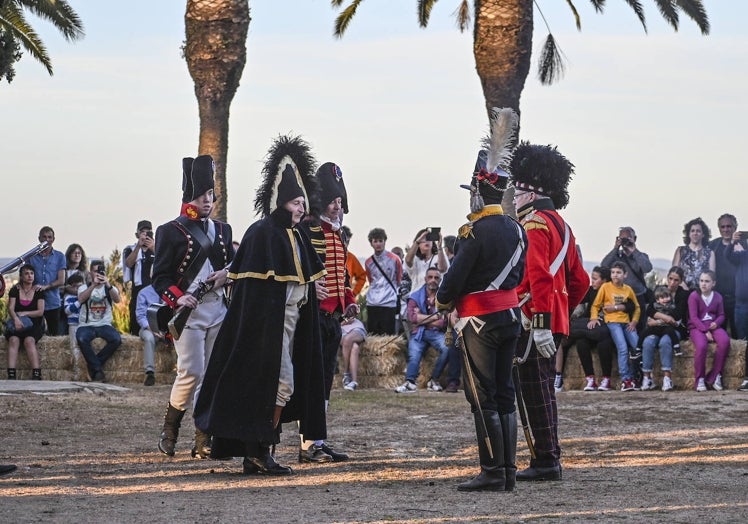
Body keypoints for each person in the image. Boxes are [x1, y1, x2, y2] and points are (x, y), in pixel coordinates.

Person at [194, 135, 326, 475]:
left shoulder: (296, 235)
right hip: (268, 326)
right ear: (282, 201)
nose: (302, 209)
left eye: (303, 203)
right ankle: (259, 452)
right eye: (297, 203)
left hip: (290, 322)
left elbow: (298, 276)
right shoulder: (262, 232)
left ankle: (260, 450)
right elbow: (252, 275)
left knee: (283, 385)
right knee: (280, 384)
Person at [436, 112, 527, 492]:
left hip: (480, 323)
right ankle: (507, 471)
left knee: (483, 397)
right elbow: (519, 277)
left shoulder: (473, 232)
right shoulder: (516, 228)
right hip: (510, 317)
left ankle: (492, 471)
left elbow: (453, 280)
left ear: (477, 191)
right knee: (505, 394)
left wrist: (443, 301)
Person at [510, 140, 589, 482]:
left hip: (534, 320)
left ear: (530, 193)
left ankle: (546, 461)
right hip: (552, 318)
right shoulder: (563, 227)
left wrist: (541, 321)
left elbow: (540, 276)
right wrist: (561, 311)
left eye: (517, 193)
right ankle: (548, 457)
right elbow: (581, 282)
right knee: (542, 389)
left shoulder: (535, 225)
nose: (512, 198)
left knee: (536, 391)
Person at [152, 154, 234, 458]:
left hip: (217, 310)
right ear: (189, 198)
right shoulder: (170, 231)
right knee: (191, 371)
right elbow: (159, 277)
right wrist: (178, 296)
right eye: (201, 196)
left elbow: (231, 268)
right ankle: (170, 428)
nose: (207, 201)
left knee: (212, 373)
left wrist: (227, 276)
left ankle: (203, 439)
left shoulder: (223, 231)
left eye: (210, 195)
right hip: (188, 314)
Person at [297, 160, 359, 463]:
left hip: (333, 318)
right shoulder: (307, 229)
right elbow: (298, 272)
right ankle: (308, 444)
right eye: (333, 200)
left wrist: (348, 300)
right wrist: (310, 289)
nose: (337, 206)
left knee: (324, 382)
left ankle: (318, 439)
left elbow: (341, 275)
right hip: (312, 318)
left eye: (340, 200)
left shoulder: (338, 233)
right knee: (311, 381)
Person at [557, 266, 616, 392]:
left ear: (604, 281)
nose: (592, 282)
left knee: (603, 342)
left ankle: (606, 378)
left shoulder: (612, 292)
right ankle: (590, 379)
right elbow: (575, 300)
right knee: (581, 342)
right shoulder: (591, 291)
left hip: (606, 327)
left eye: (595, 279)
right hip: (589, 327)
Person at [395, 267, 450, 393]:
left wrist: (422, 318)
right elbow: (412, 318)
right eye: (430, 277)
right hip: (419, 333)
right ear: (425, 279)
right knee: (414, 354)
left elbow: (443, 322)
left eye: (436, 278)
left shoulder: (444, 298)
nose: (433, 280)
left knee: (447, 347)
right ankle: (410, 382)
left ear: (440, 280)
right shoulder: (415, 296)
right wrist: (435, 316)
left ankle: (433, 380)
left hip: (436, 333)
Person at [588, 261, 640, 391]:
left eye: (618, 273)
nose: (615, 275)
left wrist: (634, 321)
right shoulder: (606, 287)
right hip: (613, 322)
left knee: (637, 346)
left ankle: (634, 377)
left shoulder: (628, 289)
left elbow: (637, 307)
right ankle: (625, 379)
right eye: (613, 272)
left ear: (625, 275)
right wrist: (594, 318)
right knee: (622, 348)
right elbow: (596, 305)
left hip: (626, 322)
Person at [76, 259, 122, 382]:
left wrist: (108, 284)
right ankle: (97, 370)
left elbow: (117, 300)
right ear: (90, 272)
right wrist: (93, 285)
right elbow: (81, 299)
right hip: (86, 324)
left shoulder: (109, 287)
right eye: (95, 271)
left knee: (116, 339)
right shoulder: (83, 288)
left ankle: (94, 366)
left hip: (104, 324)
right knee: (81, 338)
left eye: (101, 271)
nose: (98, 274)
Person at [601, 226, 652, 331]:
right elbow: (604, 266)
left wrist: (634, 250)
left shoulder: (641, 256)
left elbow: (647, 268)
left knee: (639, 328)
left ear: (635, 238)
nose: (625, 241)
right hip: (619, 299)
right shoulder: (616, 257)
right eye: (622, 238)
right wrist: (615, 248)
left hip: (637, 297)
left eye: (627, 238)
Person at [639, 283, 687, 391]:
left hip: (672, 331)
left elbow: (675, 321)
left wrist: (657, 321)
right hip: (656, 330)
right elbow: (649, 321)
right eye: (670, 279)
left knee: (665, 342)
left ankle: (667, 377)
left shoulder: (677, 302)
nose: (665, 299)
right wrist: (664, 320)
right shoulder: (655, 302)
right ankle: (647, 377)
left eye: (667, 297)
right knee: (647, 342)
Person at [688, 270, 730, 392]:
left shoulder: (717, 297)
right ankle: (700, 378)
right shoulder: (694, 296)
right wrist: (705, 330)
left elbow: (722, 315)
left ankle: (715, 375)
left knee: (725, 341)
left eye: (707, 281)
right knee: (701, 346)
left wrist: (716, 323)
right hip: (697, 327)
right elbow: (694, 317)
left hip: (713, 325)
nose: (703, 284)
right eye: (701, 281)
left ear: (713, 283)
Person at [5, 264, 45, 380]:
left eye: (31, 273)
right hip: (17, 322)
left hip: (34, 323)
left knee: (29, 341)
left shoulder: (38, 291)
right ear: (21, 277)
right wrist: (16, 319)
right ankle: (11, 375)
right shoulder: (14, 290)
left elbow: (40, 312)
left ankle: (36, 374)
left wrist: (25, 313)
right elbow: (11, 309)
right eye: (26, 274)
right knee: (13, 340)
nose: (29, 276)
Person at [364, 227, 402, 335]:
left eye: (380, 240)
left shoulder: (395, 259)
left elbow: (398, 278)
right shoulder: (368, 262)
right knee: (372, 335)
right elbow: (370, 280)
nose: (378, 244)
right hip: (372, 302)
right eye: (375, 241)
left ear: (385, 241)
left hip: (389, 301)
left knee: (388, 336)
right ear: (371, 243)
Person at [29, 226, 66, 335]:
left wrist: (46, 287)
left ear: (53, 239)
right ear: (39, 238)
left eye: (49, 237)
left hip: (53, 302)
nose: (47, 239)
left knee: (55, 335)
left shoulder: (60, 256)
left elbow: (61, 280)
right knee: (35, 334)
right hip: (34, 301)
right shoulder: (31, 256)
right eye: (44, 237)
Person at [123, 220, 156, 336]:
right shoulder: (130, 249)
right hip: (137, 291)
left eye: (148, 232)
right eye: (142, 232)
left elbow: (165, 261)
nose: (145, 235)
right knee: (136, 324)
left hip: (154, 291)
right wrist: (138, 246)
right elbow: (128, 264)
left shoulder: (157, 248)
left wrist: (153, 248)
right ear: (137, 234)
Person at [709, 214, 739, 337]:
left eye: (729, 226)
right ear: (719, 228)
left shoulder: (743, 245)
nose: (726, 229)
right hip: (718, 297)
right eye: (723, 227)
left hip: (738, 299)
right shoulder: (713, 246)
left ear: (735, 227)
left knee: (739, 336)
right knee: (719, 335)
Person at [726, 230, 748, 391]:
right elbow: (728, 256)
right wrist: (733, 242)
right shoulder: (742, 256)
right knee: (743, 343)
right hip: (741, 305)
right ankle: (746, 378)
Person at [672, 217, 716, 291]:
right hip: (682, 291)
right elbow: (674, 273)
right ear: (688, 234)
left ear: (703, 234)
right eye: (692, 231)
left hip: (702, 293)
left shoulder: (710, 253)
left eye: (698, 231)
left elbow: (711, 276)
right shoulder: (680, 250)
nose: (695, 233)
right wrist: (682, 285)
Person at [404, 227, 449, 294]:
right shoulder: (415, 258)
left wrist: (439, 247)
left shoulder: (439, 256)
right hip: (417, 298)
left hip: (436, 297)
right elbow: (408, 261)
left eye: (429, 238)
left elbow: (443, 269)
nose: (426, 241)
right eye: (423, 240)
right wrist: (417, 242)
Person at [135, 284, 162, 386]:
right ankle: (150, 373)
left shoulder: (171, 291)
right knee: (149, 338)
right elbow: (140, 316)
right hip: (149, 329)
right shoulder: (143, 293)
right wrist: (154, 329)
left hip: (167, 329)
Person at [61, 243, 88, 334]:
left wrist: (71, 289)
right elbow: (60, 288)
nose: (77, 255)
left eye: (79, 253)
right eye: (74, 253)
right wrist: (66, 288)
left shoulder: (85, 273)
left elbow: (88, 289)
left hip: (80, 306)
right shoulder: (63, 271)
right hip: (65, 304)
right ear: (69, 255)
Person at [62, 272, 85, 380]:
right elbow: (67, 310)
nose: (78, 290)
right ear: (71, 287)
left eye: (80, 286)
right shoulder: (69, 297)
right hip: (73, 324)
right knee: (74, 346)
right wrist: (78, 302)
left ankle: (85, 369)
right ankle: (76, 368)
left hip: (84, 325)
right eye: (76, 287)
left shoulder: (86, 296)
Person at [340, 317, 366, 391]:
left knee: (348, 339)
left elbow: (354, 311)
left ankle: (348, 376)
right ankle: (351, 378)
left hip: (355, 325)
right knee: (355, 347)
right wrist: (342, 323)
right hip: (340, 327)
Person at [341, 225, 367, 299]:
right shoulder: (328, 254)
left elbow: (362, 276)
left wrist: (353, 293)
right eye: (344, 241)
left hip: (346, 298)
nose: (346, 244)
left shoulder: (351, 257)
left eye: (348, 241)